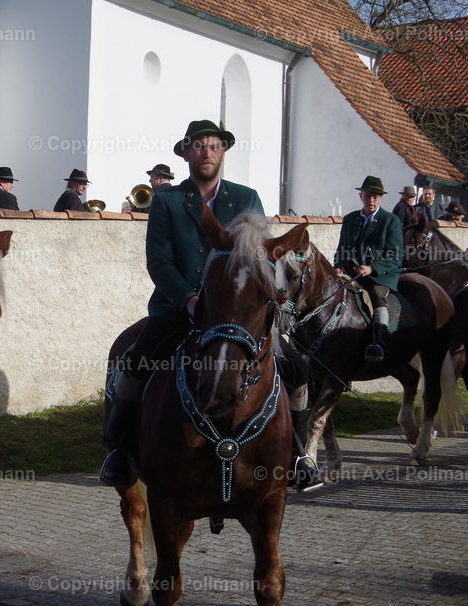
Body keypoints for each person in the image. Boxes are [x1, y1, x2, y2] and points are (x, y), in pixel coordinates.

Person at [100, 119, 290, 488]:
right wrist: (187, 298)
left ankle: (297, 452)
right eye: (198, 146)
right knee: (134, 364)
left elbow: (260, 256)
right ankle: (118, 451)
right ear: (186, 153)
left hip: (236, 313)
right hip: (176, 311)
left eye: (214, 145)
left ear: (224, 151)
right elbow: (159, 261)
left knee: (293, 365)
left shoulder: (247, 197)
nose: (206, 152)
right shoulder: (167, 201)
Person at [333, 176, 403, 363]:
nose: (371, 200)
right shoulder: (350, 219)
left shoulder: (391, 221)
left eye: (375, 197)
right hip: (351, 272)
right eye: (367, 196)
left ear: (380, 198)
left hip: (380, 276)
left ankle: (378, 343)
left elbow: (395, 256)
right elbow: (341, 249)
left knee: (377, 295)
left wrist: (372, 268)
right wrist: (338, 266)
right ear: (360, 196)